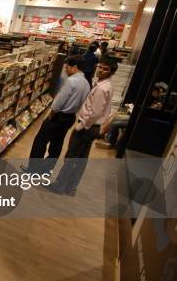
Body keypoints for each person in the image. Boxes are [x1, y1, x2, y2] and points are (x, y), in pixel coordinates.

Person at [50, 56, 118, 195]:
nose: (101, 70)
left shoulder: (102, 88)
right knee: (81, 159)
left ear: (111, 72)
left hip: (88, 127)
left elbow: (95, 112)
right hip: (93, 128)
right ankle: (71, 187)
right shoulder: (105, 85)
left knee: (71, 157)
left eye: (106, 69)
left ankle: (60, 186)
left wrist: (82, 126)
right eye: (100, 67)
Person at [22, 55, 90, 174]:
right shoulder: (86, 83)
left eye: (67, 67)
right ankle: (46, 168)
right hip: (70, 117)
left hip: (58, 115)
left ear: (75, 67)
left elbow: (59, 102)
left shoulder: (71, 81)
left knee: (41, 140)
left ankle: (33, 170)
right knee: (57, 142)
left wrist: (51, 114)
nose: (65, 70)